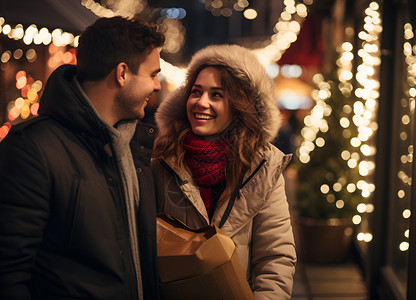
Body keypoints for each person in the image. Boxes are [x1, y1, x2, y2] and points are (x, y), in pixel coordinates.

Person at [0, 16, 164, 299]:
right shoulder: (32, 147)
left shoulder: (131, 148)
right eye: (152, 74)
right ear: (122, 73)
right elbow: (8, 273)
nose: (158, 86)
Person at [151, 44, 297, 299]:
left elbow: (276, 258)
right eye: (196, 92)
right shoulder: (162, 157)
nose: (201, 103)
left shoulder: (263, 166)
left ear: (238, 104)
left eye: (216, 95)